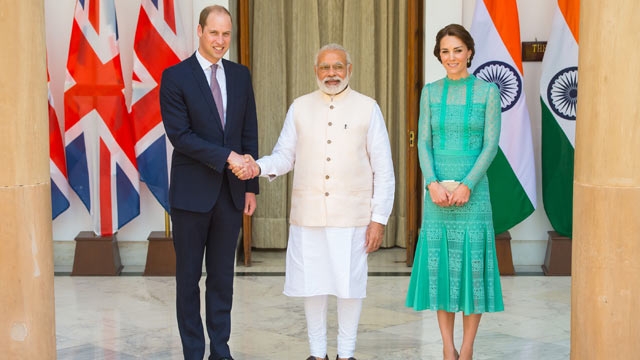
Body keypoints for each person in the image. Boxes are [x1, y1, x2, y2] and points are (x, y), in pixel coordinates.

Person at [232, 44, 395, 360]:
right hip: (308, 216)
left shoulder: (368, 108)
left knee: (349, 288)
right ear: (315, 71)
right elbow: (284, 156)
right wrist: (258, 166)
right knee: (313, 285)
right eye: (324, 67)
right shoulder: (300, 107)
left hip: (353, 218)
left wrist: (380, 218)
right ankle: (317, 354)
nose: (331, 74)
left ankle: (346, 354)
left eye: (337, 67)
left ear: (349, 69)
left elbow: (384, 169)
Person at [159, 5, 258, 360]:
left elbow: (248, 131)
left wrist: (250, 186)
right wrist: (227, 157)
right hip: (190, 197)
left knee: (222, 280)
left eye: (226, 34)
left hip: (231, 195)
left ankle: (220, 351)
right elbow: (180, 136)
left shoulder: (240, 75)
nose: (220, 41)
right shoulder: (175, 77)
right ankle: (193, 352)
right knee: (188, 281)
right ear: (199, 31)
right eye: (214, 33)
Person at [405, 24, 504, 360]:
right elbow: (424, 143)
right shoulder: (430, 92)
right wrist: (431, 182)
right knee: (442, 271)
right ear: (439, 55)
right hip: (437, 197)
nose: (451, 57)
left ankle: (467, 348)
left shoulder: (488, 92)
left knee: (473, 269)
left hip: (473, 195)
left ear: (470, 52)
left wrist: (467, 185)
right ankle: (447, 348)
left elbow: (490, 145)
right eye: (445, 51)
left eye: (458, 50)